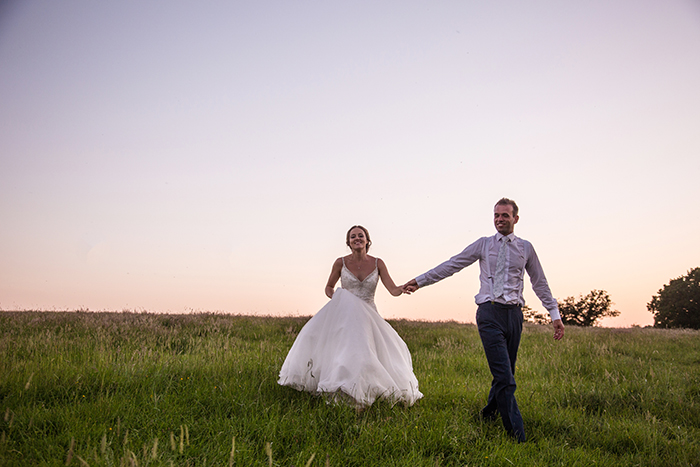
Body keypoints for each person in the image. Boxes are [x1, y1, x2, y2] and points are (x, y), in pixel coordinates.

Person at [402, 198, 564, 442]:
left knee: (506, 370)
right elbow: (452, 264)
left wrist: (554, 314)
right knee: (504, 376)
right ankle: (517, 436)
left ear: (515, 219)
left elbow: (539, 282)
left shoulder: (526, 248)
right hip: (489, 313)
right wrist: (421, 280)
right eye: (496, 215)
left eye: (505, 215)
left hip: (514, 315)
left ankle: (488, 413)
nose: (499, 219)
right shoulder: (484, 244)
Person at [278, 225, 423, 407]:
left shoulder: (378, 263)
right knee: (346, 352)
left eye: (360, 236)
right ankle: (345, 391)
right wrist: (339, 298)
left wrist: (402, 289)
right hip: (345, 315)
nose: (357, 239)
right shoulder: (340, 262)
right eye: (353, 236)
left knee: (369, 352)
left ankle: (367, 390)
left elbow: (392, 289)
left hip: (368, 315)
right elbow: (328, 287)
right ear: (348, 242)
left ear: (367, 240)